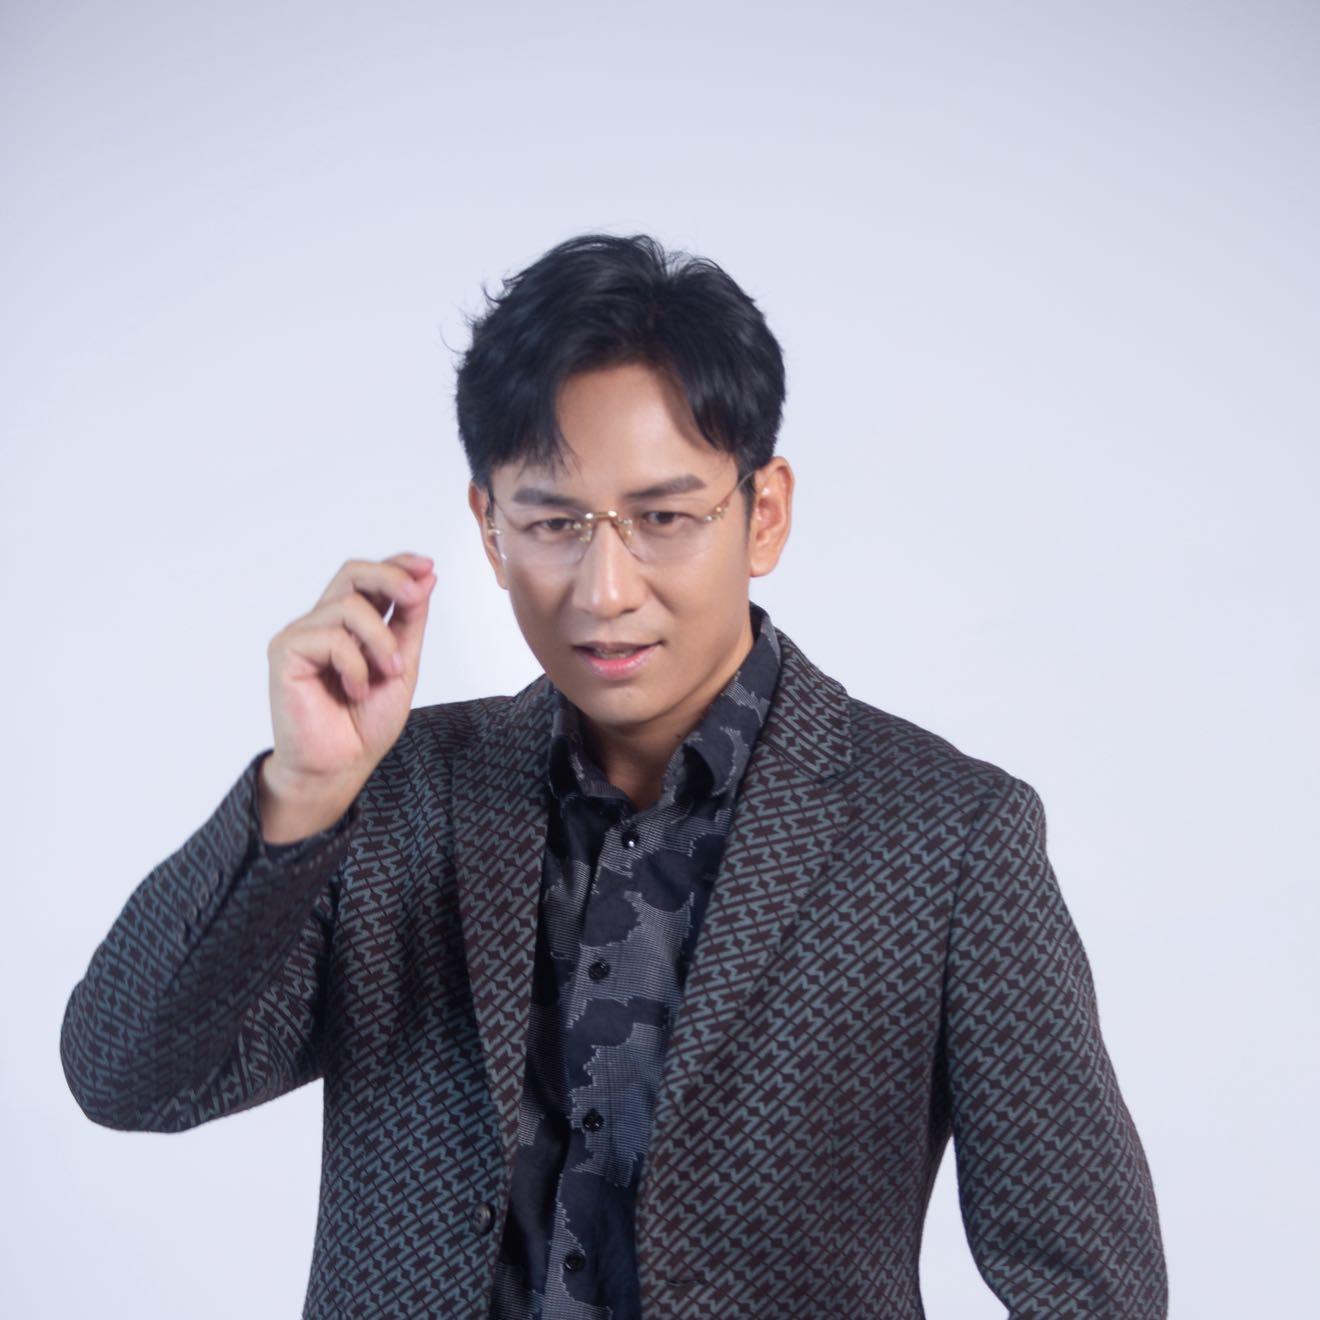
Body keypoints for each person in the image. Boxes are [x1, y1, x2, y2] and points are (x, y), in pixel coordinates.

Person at [60, 232, 1168, 1318]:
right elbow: (128, 1075)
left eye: (664, 518)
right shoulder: (395, 792)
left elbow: (1095, 1287)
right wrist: (299, 796)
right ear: (489, 530)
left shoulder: (945, 837)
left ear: (765, 513)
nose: (605, 589)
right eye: (554, 522)